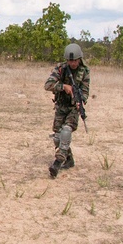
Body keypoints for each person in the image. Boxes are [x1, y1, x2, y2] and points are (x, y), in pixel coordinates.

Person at [44, 43, 90, 178]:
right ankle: (69, 160)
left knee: (66, 130)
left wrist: (81, 101)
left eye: (75, 60)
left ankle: (58, 162)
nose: (73, 63)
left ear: (79, 59)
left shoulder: (84, 71)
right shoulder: (60, 69)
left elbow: (85, 91)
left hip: (73, 108)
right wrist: (63, 86)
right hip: (60, 106)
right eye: (70, 60)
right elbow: (47, 85)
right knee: (58, 138)